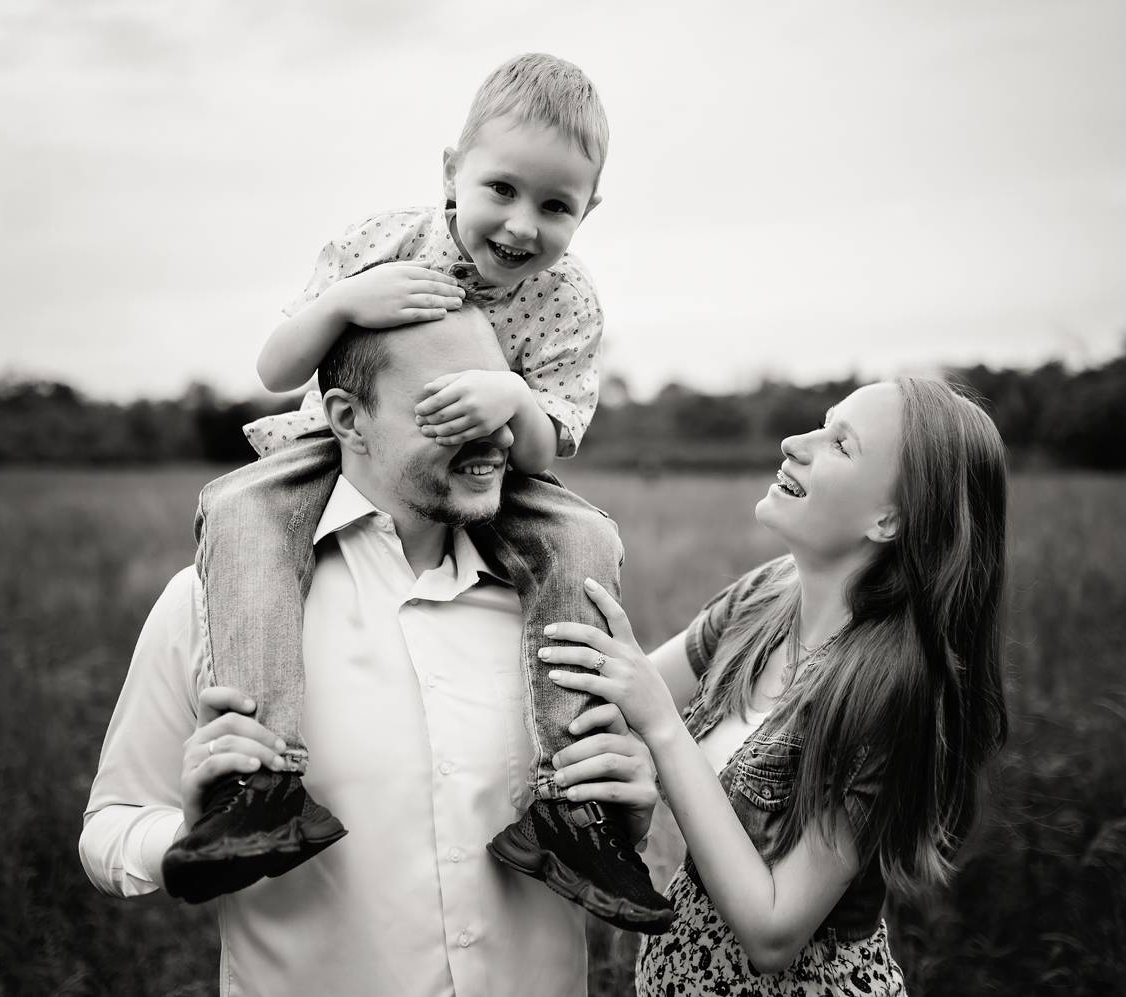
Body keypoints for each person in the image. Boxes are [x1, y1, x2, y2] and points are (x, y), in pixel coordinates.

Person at [163, 51, 672, 931]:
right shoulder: (385, 244)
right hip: (340, 444)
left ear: (589, 210)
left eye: (556, 206)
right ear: (450, 173)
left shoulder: (568, 300)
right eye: (501, 189)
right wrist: (347, 302)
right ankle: (261, 780)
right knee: (240, 508)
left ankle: (572, 805)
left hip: (497, 471)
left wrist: (511, 397)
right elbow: (276, 367)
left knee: (585, 539)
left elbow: (548, 447)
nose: (522, 226)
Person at [80, 307, 663, 996]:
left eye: (502, 398)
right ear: (348, 419)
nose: (497, 432)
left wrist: (628, 813)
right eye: (449, 404)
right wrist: (191, 835)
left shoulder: (569, 608)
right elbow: (109, 831)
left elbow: (612, 813)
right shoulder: (213, 604)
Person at [538, 378, 1010, 995]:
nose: (794, 442)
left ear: (889, 518)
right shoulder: (765, 596)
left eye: (841, 444)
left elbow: (773, 932)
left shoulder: (889, 688)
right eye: (823, 423)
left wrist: (660, 732)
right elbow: (615, 703)